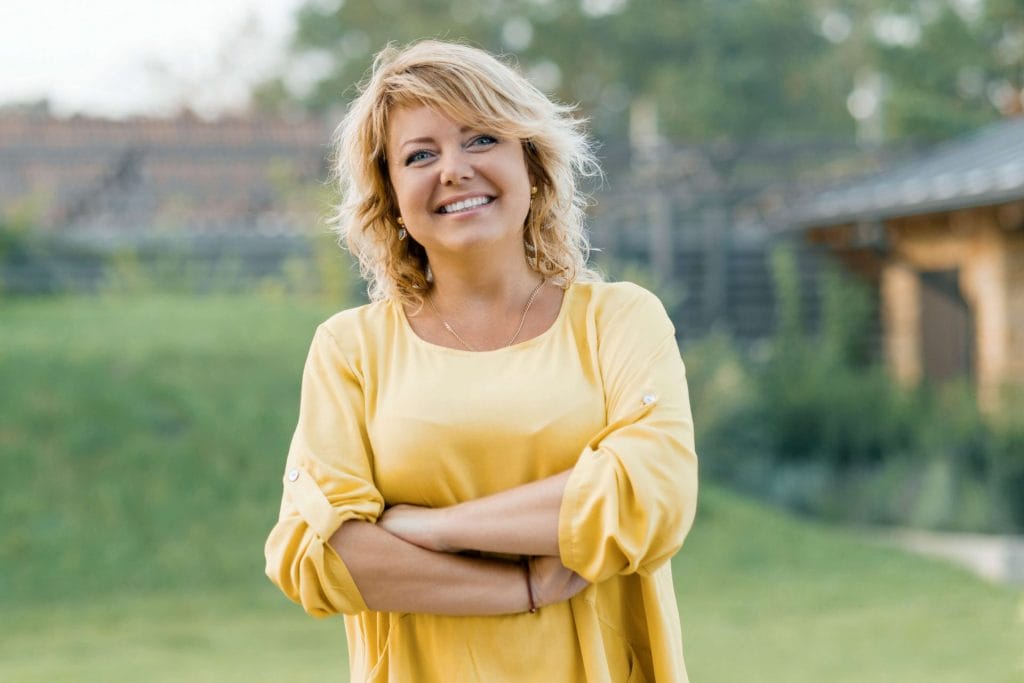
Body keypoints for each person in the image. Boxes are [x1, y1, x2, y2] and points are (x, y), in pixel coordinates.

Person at [264, 39, 699, 682]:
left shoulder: (620, 320)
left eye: (480, 140)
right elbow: (314, 553)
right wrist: (522, 590)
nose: (453, 170)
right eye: (420, 154)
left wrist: (434, 529)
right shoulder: (350, 349)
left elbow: (650, 497)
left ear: (532, 163)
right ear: (390, 195)